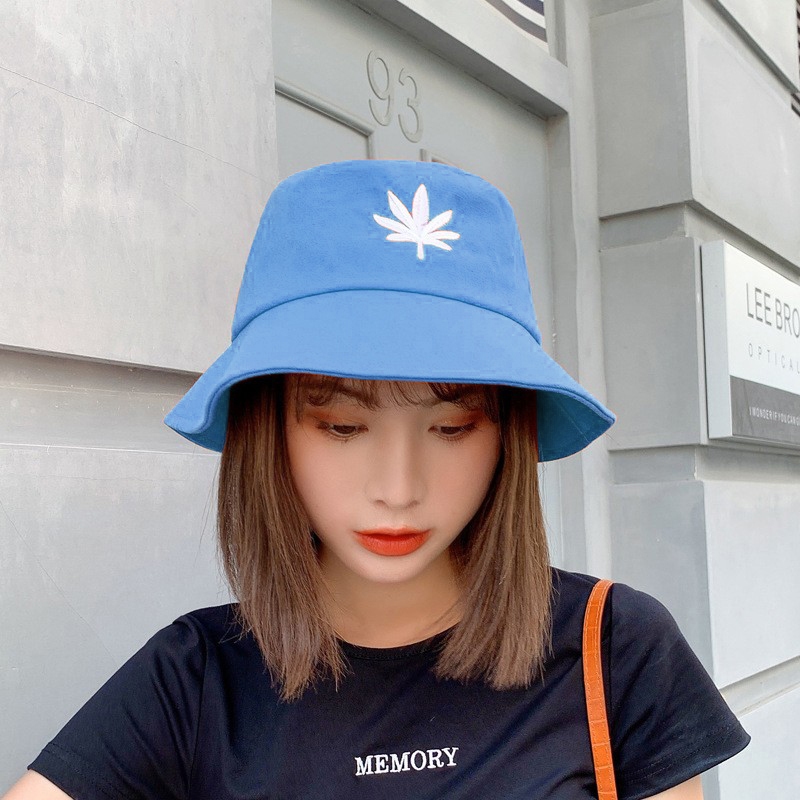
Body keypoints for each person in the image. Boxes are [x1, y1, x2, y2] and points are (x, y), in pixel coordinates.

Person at [4, 160, 749, 800]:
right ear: (270, 430)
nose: (398, 488)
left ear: (508, 434)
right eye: (341, 426)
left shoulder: (614, 650)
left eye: (452, 428)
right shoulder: (194, 681)